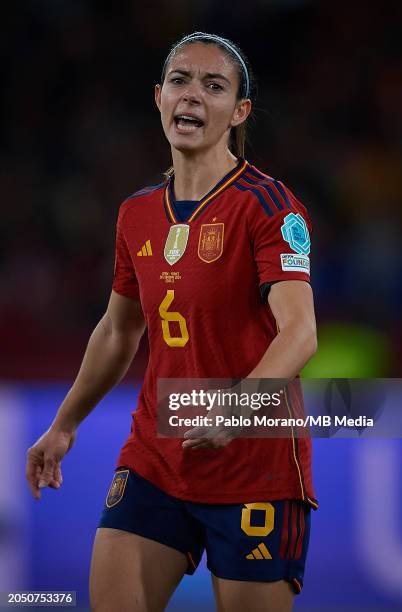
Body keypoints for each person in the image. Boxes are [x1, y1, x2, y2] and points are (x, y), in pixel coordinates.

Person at [26, 32, 318, 612]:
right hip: (157, 454)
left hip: (254, 462)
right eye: (181, 80)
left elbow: (301, 332)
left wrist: (234, 414)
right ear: (159, 97)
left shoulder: (268, 205)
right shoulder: (135, 213)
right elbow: (118, 330)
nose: (193, 95)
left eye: (214, 86)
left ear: (239, 113)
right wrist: (64, 424)